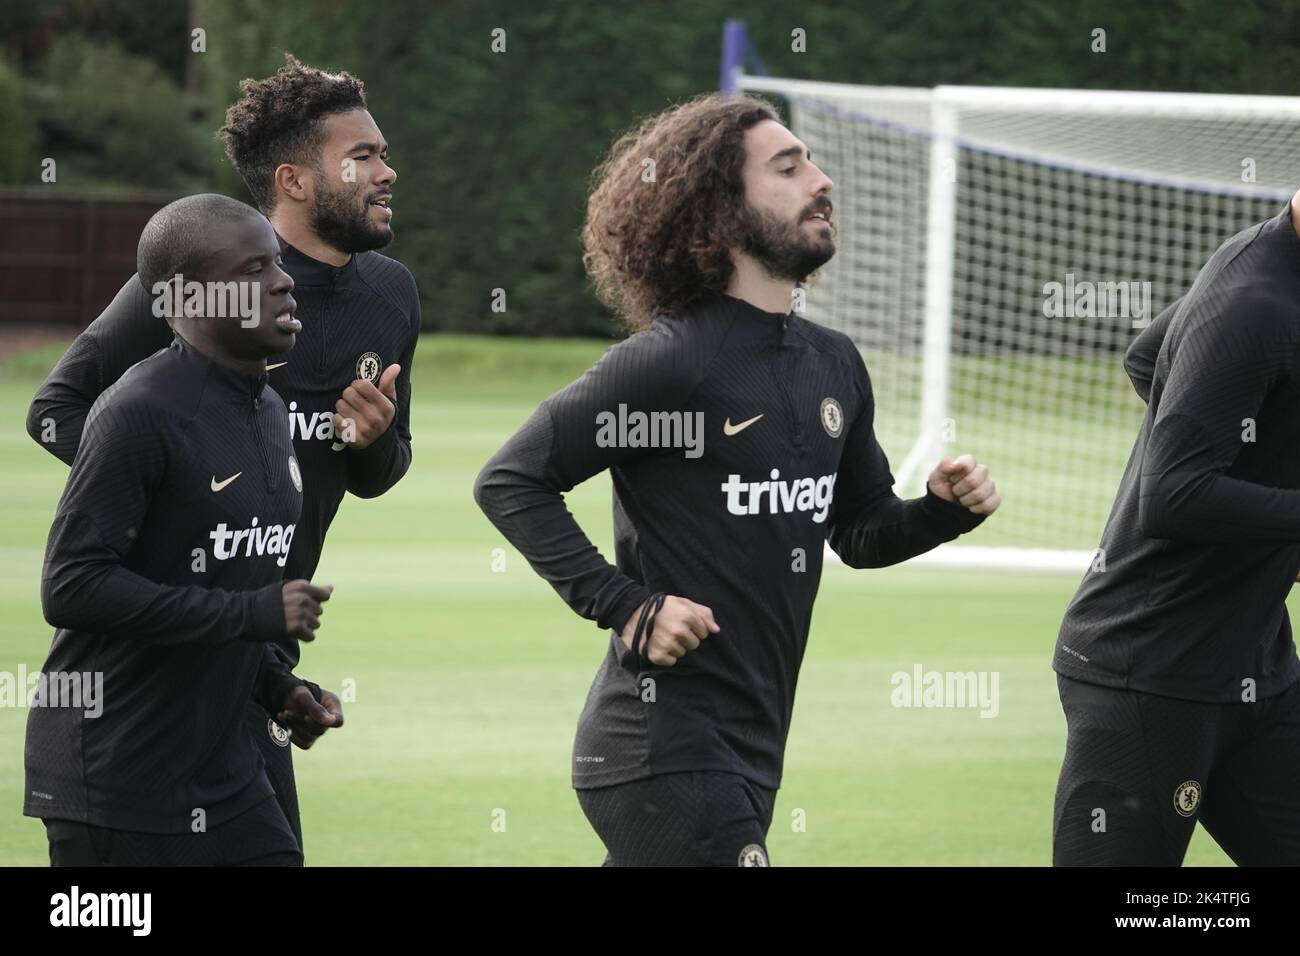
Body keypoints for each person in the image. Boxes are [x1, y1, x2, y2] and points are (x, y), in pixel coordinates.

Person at [474, 93, 1000, 866]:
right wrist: (628, 606)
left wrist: (942, 513)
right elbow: (511, 480)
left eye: (813, 161)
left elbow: (858, 533)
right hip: (660, 747)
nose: (821, 180)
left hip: (753, 748)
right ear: (721, 210)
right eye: (788, 167)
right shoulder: (672, 361)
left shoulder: (834, 364)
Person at [25, 55, 420, 856]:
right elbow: (58, 412)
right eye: (364, 156)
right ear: (295, 180)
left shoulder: (391, 295)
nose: (388, 171)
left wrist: (373, 443)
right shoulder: (205, 282)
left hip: (253, 652)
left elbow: (376, 473)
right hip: (162, 647)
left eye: (382, 153)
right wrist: (180, 496)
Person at [27, 194, 340, 866]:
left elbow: (212, 576)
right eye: (252, 270)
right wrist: (253, 612)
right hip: (115, 776)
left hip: (223, 770)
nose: (282, 281)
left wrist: (276, 688)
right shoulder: (138, 411)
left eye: (277, 263)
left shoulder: (268, 412)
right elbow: (72, 587)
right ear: (188, 298)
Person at [1053, 195, 1300, 865]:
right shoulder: (1257, 301)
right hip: (1147, 674)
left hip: (1257, 669)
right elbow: (1174, 494)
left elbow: (1148, 358)